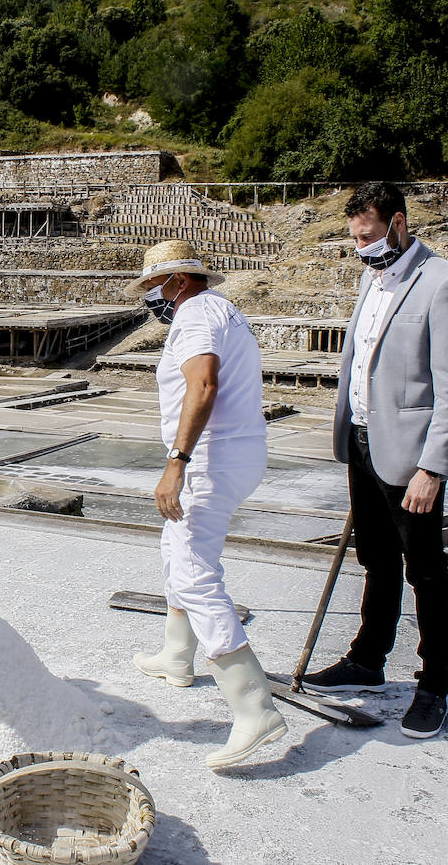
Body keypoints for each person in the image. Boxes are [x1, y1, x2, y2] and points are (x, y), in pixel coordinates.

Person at [302, 181, 448, 740]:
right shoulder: (369, 279)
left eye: (370, 236)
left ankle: (433, 686)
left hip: (411, 455)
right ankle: (369, 658)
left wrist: (433, 467)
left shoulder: (446, 284)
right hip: (361, 440)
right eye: (355, 239)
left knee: (426, 570)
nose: (362, 247)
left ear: (399, 224)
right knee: (375, 557)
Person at [126, 239, 286, 770]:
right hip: (236, 452)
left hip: (210, 460)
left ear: (176, 280)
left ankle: (252, 706)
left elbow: (204, 386)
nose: (151, 296)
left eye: (154, 286)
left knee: (194, 570)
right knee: (176, 547)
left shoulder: (194, 315)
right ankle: (177, 654)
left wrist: (177, 461)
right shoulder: (222, 310)